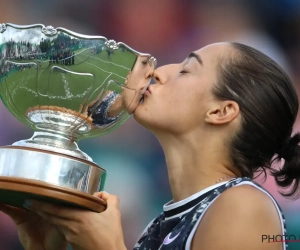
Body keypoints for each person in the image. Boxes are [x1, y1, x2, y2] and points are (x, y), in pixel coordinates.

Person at [0, 42, 299, 250]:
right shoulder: (162, 223)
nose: (160, 71)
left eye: (185, 70)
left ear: (221, 112)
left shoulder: (243, 206)